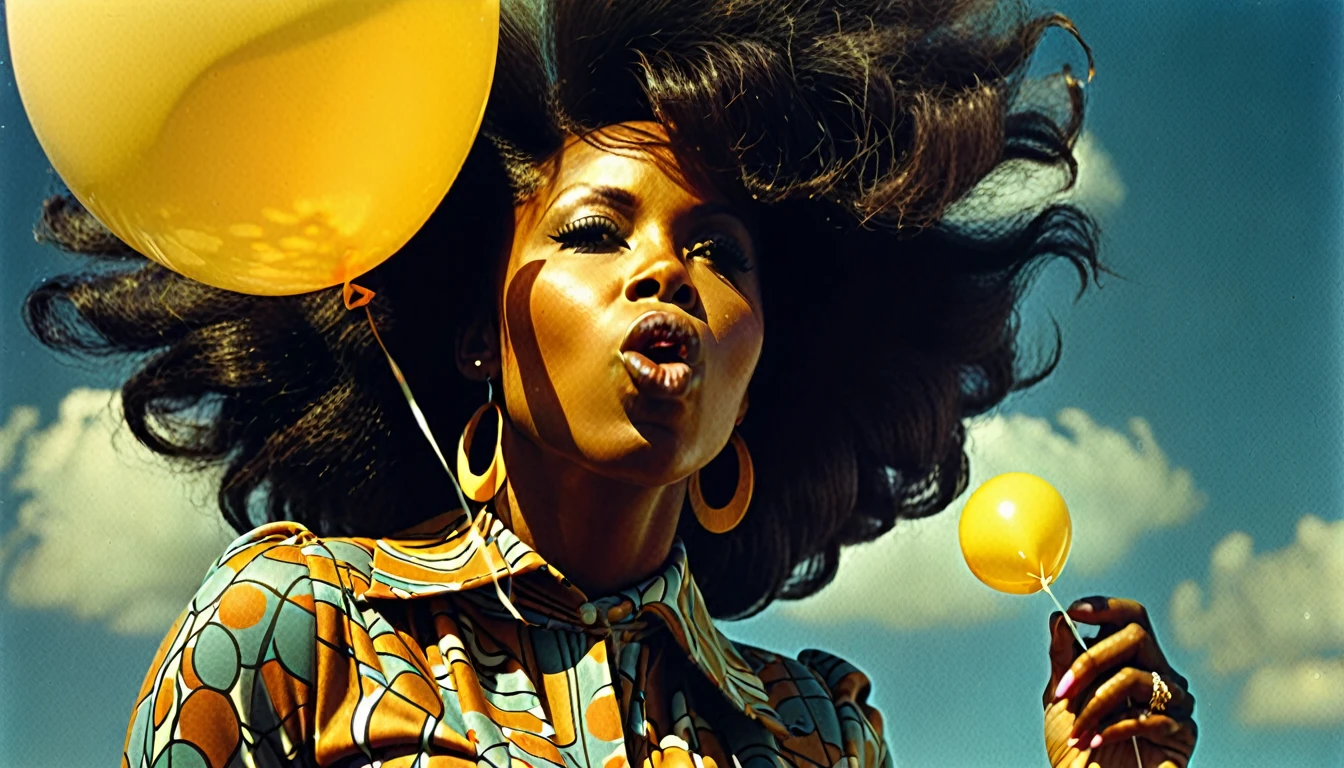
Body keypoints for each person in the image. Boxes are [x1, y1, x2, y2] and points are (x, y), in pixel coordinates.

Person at [24, 1, 1197, 766]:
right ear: (482, 337)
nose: (665, 275)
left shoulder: (818, 731)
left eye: (720, 254)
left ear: (758, 370)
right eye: (594, 232)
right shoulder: (296, 627)